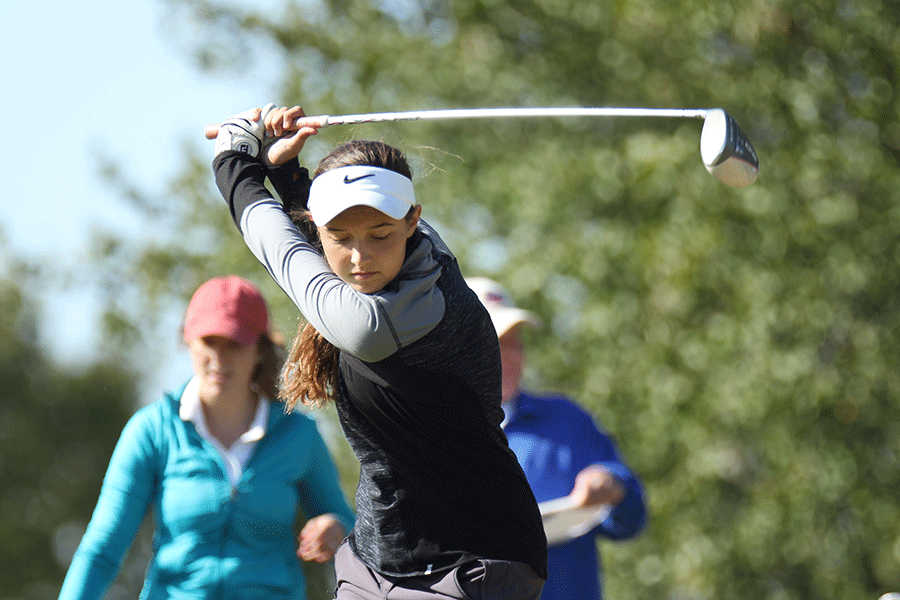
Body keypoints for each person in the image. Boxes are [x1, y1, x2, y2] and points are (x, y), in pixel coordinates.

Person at [207, 104, 548, 599]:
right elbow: (326, 228)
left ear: (413, 220)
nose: (360, 257)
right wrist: (283, 169)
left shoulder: (378, 323)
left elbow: (277, 243)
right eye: (341, 239)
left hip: (474, 563)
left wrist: (234, 163)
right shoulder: (415, 249)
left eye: (381, 235)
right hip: (376, 560)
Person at [59, 275, 355, 600]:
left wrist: (336, 526)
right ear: (188, 340)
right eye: (209, 341)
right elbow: (102, 550)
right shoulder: (152, 430)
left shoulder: (298, 435)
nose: (219, 358)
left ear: (259, 348)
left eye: (234, 344)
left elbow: (352, 534)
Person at [467, 276, 647, 600]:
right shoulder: (433, 435)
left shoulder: (566, 419)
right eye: (494, 343)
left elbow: (632, 518)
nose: (509, 356)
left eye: (515, 342)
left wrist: (612, 485)